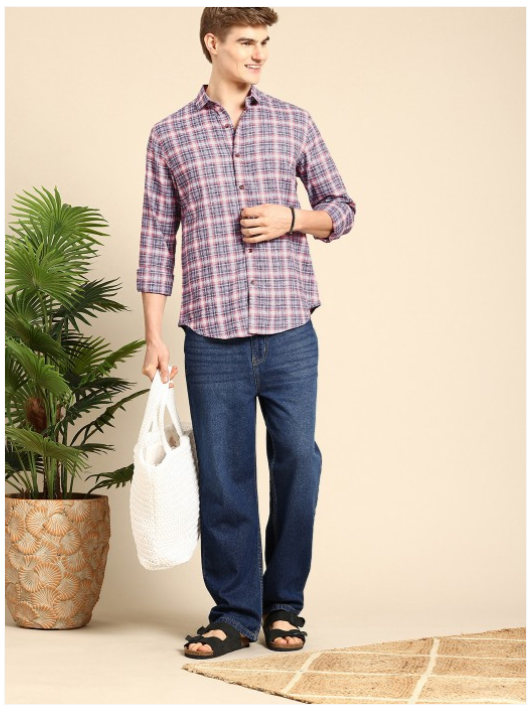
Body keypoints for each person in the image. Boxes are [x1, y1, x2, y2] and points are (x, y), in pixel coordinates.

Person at [136, 7, 356, 659]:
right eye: (245, 42)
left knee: (298, 462)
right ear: (213, 44)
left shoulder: (293, 121)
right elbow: (155, 241)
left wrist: (292, 217)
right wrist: (153, 336)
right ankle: (234, 613)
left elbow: (342, 208)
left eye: (264, 42)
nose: (258, 53)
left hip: (289, 331)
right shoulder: (169, 135)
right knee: (224, 477)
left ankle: (283, 605)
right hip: (211, 337)